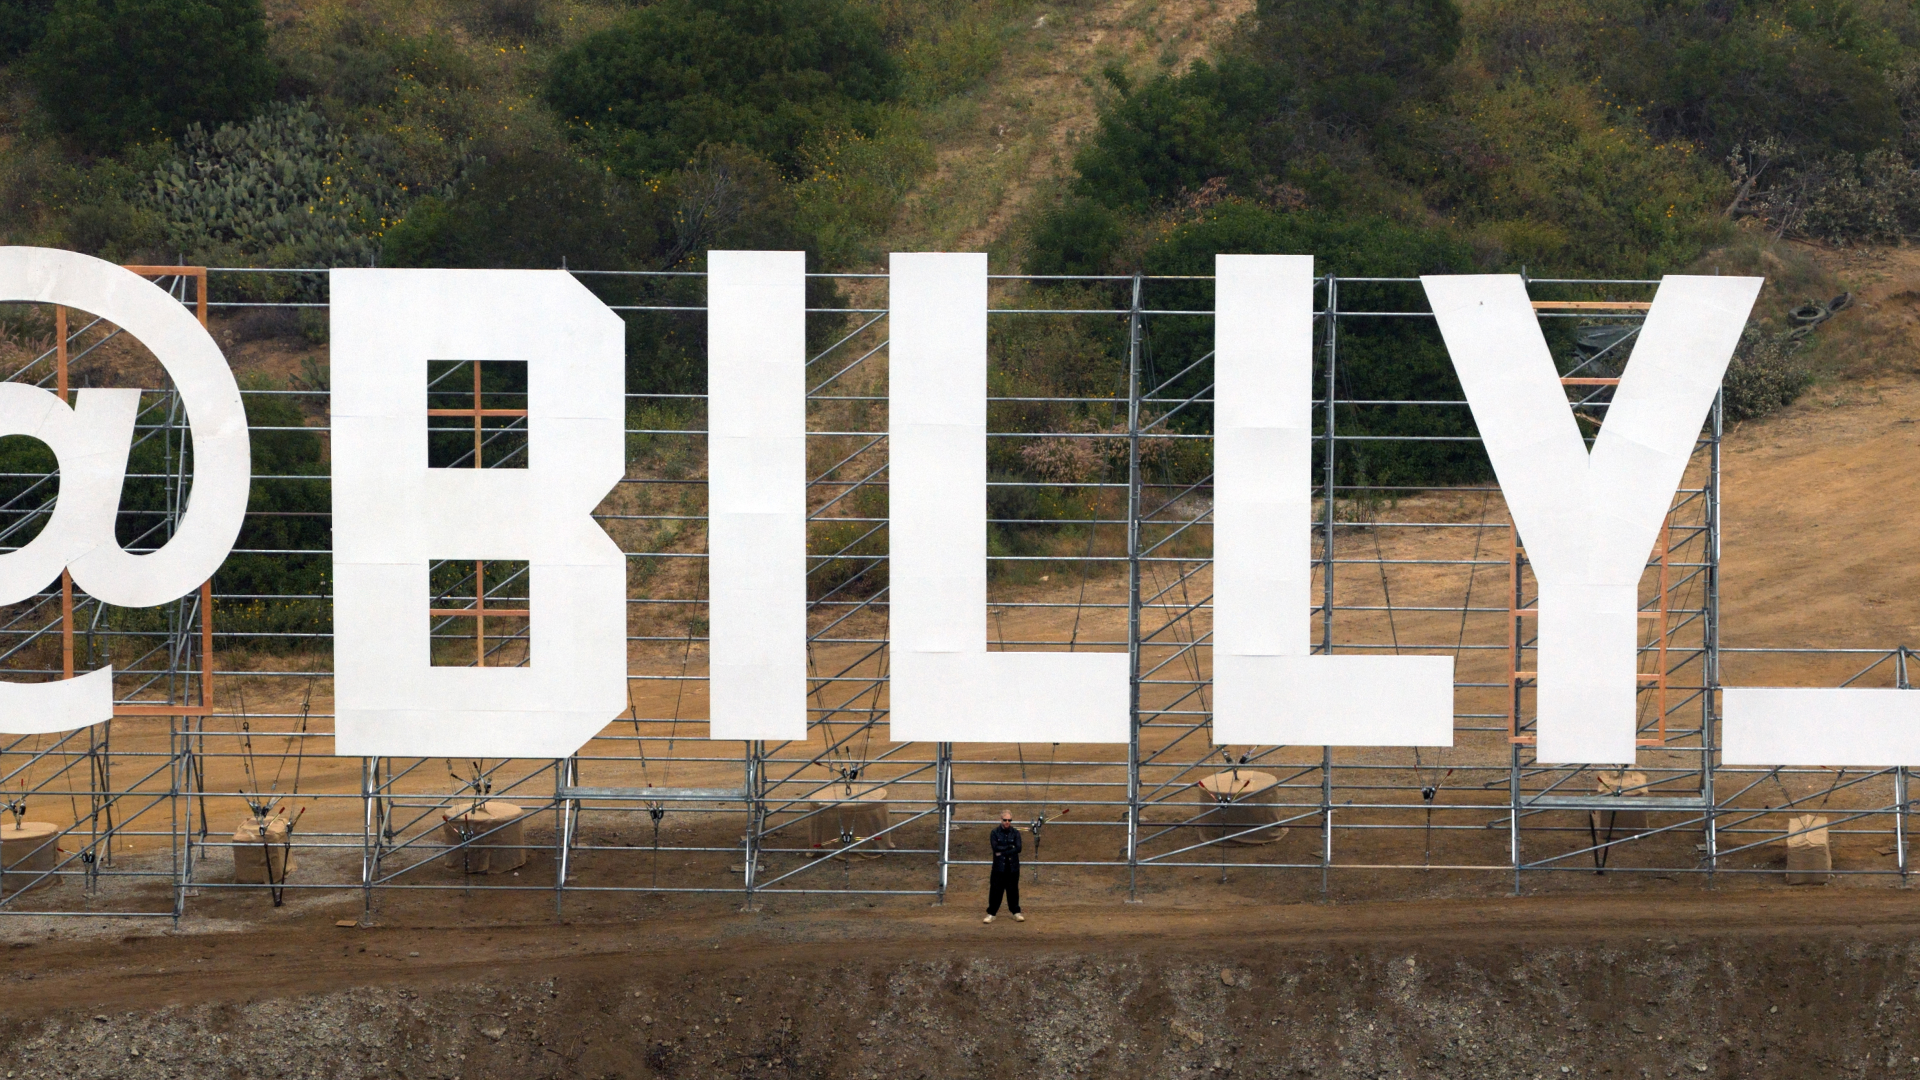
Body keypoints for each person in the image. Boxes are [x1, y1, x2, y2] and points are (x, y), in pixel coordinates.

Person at [984, 810, 1024, 923]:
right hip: (999, 867)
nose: (1007, 822)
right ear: (1000, 820)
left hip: (1012, 867)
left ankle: (1016, 912)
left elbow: (1019, 848)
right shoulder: (995, 832)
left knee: (1013, 890)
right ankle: (991, 913)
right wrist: (1010, 847)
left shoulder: (1015, 833)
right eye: (1005, 820)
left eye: (1009, 820)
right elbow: (995, 848)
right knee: (995, 890)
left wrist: (1003, 851)